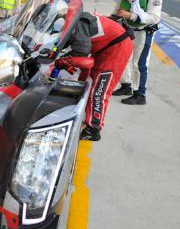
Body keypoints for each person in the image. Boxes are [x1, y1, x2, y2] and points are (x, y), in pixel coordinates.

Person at [57, 11, 134, 141]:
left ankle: (94, 129)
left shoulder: (79, 23)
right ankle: (85, 114)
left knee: (99, 89)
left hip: (117, 48)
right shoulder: (76, 19)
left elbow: (81, 51)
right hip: (105, 46)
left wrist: (61, 58)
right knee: (89, 82)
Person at [111, 0, 162, 105]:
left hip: (144, 32)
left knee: (139, 63)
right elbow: (117, 10)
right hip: (127, 30)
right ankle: (126, 85)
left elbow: (154, 18)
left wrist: (131, 16)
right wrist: (113, 18)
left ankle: (140, 94)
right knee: (123, 58)